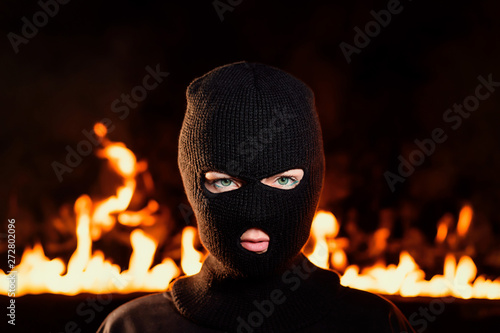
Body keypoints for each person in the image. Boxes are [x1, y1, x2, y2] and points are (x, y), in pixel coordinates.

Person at [97, 61, 415, 332]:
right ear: (191, 187)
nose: (255, 212)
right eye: (225, 182)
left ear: (315, 182)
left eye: (284, 179)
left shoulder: (374, 324)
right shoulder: (134, 327)